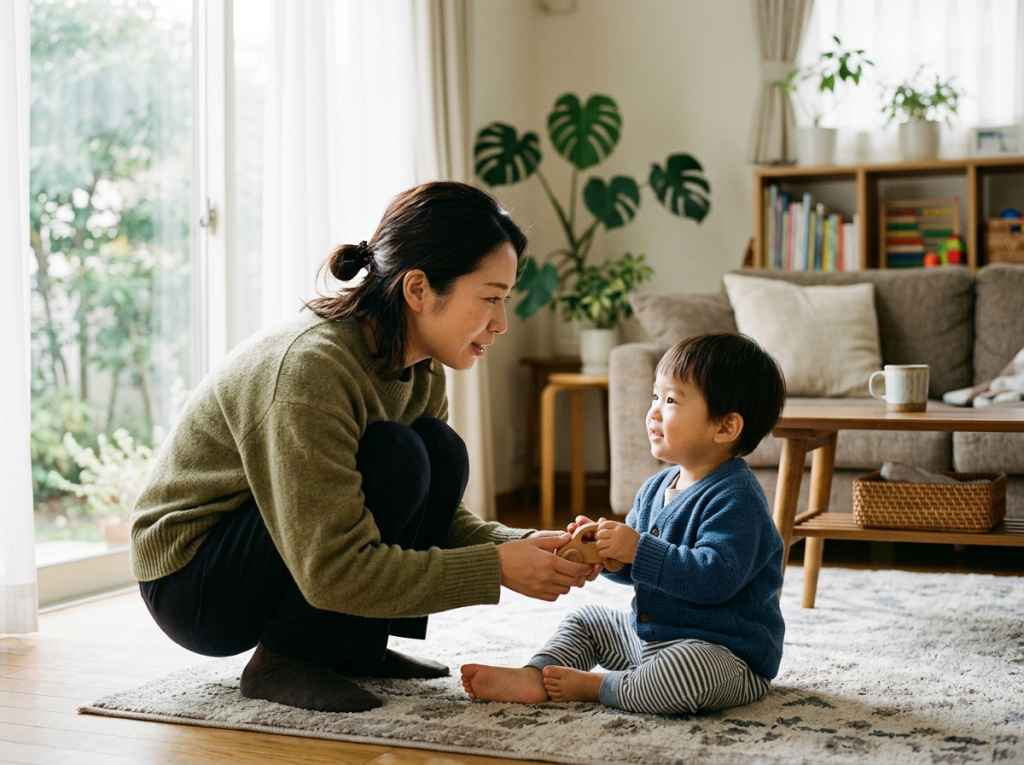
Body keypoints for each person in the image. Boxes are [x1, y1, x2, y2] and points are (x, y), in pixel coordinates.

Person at [131, 182, 595, 714]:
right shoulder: (310, 370)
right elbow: (333, 566)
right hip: (194, 583)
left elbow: (433, 516)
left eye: (505, 299)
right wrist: (494, 568)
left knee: (436, 449)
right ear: (418, 289)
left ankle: (350, 649)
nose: (501, 322)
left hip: (283, 546)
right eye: (490, 297)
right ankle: (282, 660)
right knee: (397, 451)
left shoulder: (419, 370)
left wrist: (525, 544)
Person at [461, 332, 788, 715]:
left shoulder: (739, 499)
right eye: (655, 397)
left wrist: (638, 549)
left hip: (723, 653)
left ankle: (603, 686)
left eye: (671, 401)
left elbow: (715, 578)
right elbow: (638, 571)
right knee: (588, 620)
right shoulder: (656, 487)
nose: (653, 412)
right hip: (650, 638)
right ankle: (536, 674)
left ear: (725, 427)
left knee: (687, 674)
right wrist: (605, 553)